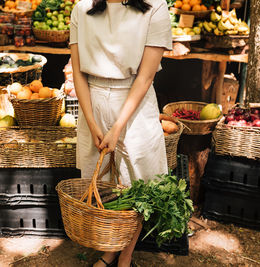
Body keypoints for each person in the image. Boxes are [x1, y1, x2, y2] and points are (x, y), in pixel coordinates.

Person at [69, 0, 172, 266]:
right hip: (92, 99)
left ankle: (125, 257)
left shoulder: (155, 8)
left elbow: (145, 76)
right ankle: (110, 251)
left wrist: (117, 127)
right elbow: (78, 73)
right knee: (104, 185)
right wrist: (92, 123)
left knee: (137, 188)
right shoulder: (81, 9)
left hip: (135, 105)